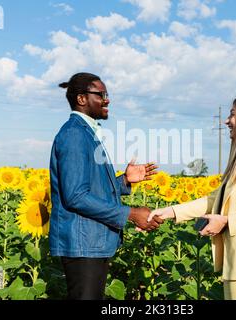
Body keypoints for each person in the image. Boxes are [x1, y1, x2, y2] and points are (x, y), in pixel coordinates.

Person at [148, 94, 236, 300]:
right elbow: (214, 200)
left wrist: (226, 221)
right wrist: (170, 211)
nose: (226, 121)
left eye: (232, 114)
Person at [49, 72, 162, 300]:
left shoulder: (86, 133)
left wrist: (125, 181)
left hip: (90, 242)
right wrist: (130, 214)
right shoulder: (74, 135)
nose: (107, 99)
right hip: (83, 243)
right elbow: (76, 196)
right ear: (82, 99)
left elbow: (89, 188)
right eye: (101, 94)